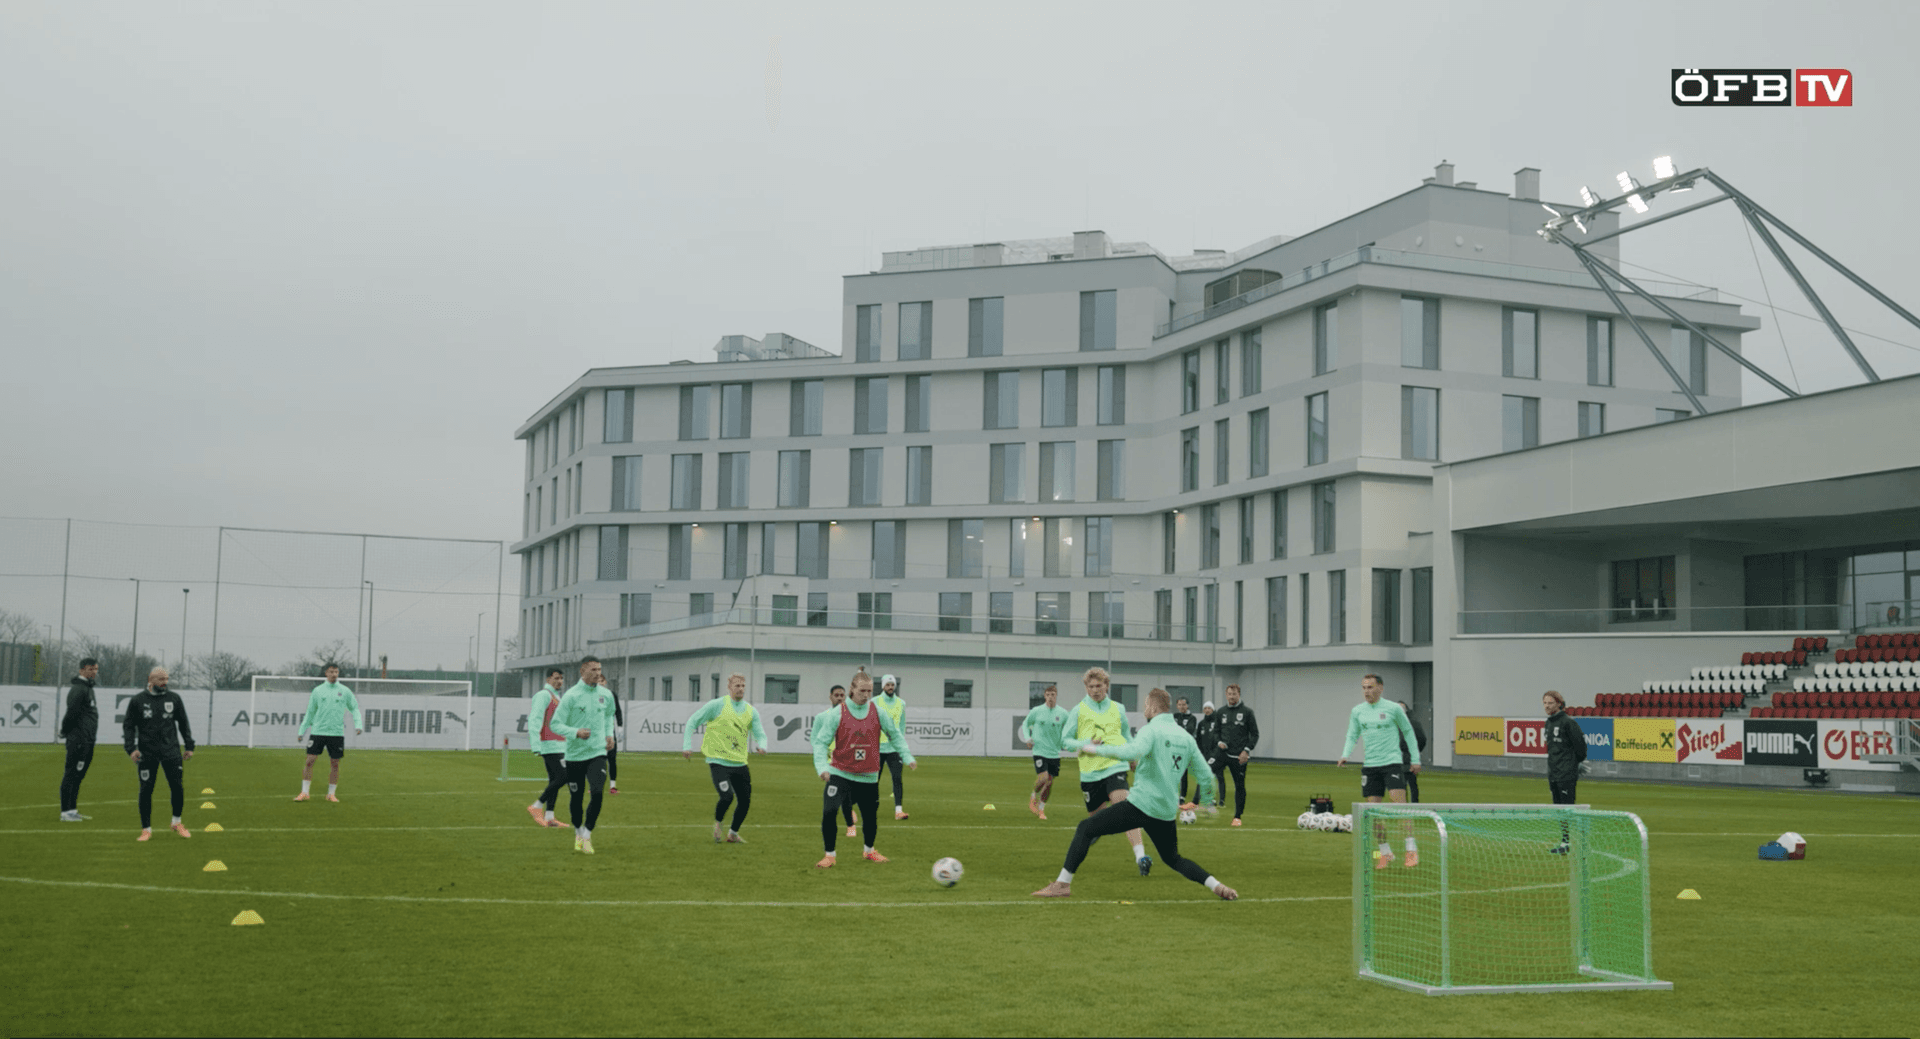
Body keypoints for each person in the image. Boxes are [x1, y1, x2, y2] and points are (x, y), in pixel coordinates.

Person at [1032, 688, 1237, 901]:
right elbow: (1205, 775)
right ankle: (1218, 886)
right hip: (1165, 811)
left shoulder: (1151, 730)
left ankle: (1062, 884)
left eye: (1146, 705)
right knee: (1173, 858)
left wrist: (1094, 750)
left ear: (1154, 707)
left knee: (1086, 828)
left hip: (1141, 806)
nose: (1144, 710)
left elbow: (1131, 752)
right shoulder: (1186, 738)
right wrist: (1206, 802)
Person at [811, 671, 914, 868]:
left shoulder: (878, 712)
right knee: (830, 811)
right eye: (862, 691)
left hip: (868, 776)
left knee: (869, 817)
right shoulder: (837, 713)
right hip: (840, 773)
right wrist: (822, 768)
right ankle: (829, 855)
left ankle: (869, 851)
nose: (866, 695)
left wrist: (907, 756)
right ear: (852, 689)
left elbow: (895, 734)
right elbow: (820, 742)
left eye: (869, 691)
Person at [1058, 666, 1151, 875]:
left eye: (1099, 686)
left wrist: (1134, 755)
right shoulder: (1078, 710)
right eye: (1091, 687)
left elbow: (1126, 734)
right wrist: (1085, 744)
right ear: (1086, 688)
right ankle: (1086, 841)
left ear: (1106, 686)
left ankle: (1141, 857)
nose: (1095, 690)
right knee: (1094, 823)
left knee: (1126, 806)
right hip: (1090, 773)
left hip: (1115, 765)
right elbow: (1065, 740)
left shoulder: (1118, 708)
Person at [1337, 674, 1422, 869]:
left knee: (1398, 804)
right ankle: (1385, 852)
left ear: (1381, 688)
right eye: (1364, 687)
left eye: (1370, 687)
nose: (1367, 691)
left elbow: (1408, 732)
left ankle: (1411, 850)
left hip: (1392, 763)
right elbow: (1352, 734)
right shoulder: (1358, 711)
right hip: (1370, 766)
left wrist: (1415, 759)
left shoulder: (1393, 709)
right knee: (1373, 812)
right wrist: (1345, 754)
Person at [682, 673, 768, 844]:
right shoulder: (717, 705)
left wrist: (763, 745)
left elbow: (760, 733)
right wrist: (686, 745)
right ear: (729, 688)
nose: (740, 689)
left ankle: (733, 834)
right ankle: (718, 825)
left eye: (743, 686)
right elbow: (693, 721)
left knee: (745, 801)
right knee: (727, 796)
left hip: (740, 763)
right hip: (718, 761)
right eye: (737, 685)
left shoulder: (751, 711)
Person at [554, 656, 617, 854]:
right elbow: (555, 724)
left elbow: (608, 716)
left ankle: (588, 835)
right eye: (593, 670)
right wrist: (575, 732)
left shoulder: (606, 695)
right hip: (575, 755)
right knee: (576, 799)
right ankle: (578, 831)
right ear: (583, 671)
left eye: (599, 669)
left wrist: (609, 734)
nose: (598, 673)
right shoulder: (571, 696)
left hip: (598, 752)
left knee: (597, 793)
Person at [123, 667, 194, 841]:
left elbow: (183, 723)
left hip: (171, 751)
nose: (165, 683)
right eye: (161, 679)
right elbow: (129, 726)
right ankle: (146, 829)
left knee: (177, 786)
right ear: (151, 680)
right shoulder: (137, 700)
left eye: (166, 679)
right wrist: (131, 749)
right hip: (147, 753)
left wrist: (189, 745)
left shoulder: (174, 698)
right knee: (146, 790)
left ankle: (176, 822)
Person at [293, 664, 362, 802]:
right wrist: (302, 730)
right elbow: (310, 712)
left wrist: (358, 724)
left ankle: (331, 794)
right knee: (309, 761)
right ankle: (305, 792)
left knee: (335, 763)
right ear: (326, 673)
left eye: (336, 672)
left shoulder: (345, 691)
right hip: (318, 732)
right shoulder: (318, 691)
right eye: (331, 672)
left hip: (336, 734)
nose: (334, 674)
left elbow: (354, 708)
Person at [1543, 690, 1589, 854]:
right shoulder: (1548, 724)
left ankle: (1577, 842)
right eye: (1545, 703)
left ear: (1558, 703)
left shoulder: (1568, 723)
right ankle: (1565, 843)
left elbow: (1581, 748)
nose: (1547, 706)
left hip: (1566, 774)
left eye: (1550, 703)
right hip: (1554, 774)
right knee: (1559, 810)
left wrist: (1575, 764)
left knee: (1568, 809)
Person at [58, 657, 101, 822]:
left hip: (87, 739)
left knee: (78, 775)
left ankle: (72, 809)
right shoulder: (78, 689)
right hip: (79, 740)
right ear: (81, 670)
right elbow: (71, 713)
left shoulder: (88, 688)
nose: (94, 672)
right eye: (91, 669)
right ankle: (65, 812)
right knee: (71, 774)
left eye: (96, 669)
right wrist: (64, 731)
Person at [524, 668, 569, 828]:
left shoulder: (557, 697)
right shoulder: (543, 695)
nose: (560, 681)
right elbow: (535, 719)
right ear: (549, 679)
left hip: (559, 743)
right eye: (557, 678)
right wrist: (536, 744)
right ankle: (536, 806)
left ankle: (550, 817)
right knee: (564, 777)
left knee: (555, 780)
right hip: (549, 744)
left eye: (562, 678)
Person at [1212, 684, 1260, 827]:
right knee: (1206, 770)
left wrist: (1246, 750)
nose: (1231, 697)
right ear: (1226, 695)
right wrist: (1219, 742)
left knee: (1239, 786)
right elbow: (1216, 732)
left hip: (1239, 756)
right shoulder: (1221, 712)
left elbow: (1255, 734)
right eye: (1229, 694)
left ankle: (1237, 817)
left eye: (1234, 694)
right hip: (1222, 753)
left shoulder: (1247, 712)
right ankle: (1196, 803)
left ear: (1239, 695)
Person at [1020, 684, 1069, 820]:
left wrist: (1068, 741)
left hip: (1054, 753)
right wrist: (1027, 738)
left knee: (1050, 782)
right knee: (1043, 778)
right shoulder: (1037, 710)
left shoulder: (1063, 713)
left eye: (1053, 695)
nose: (1050, 697)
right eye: (1048, 695)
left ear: (1056, 695)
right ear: (1044, 696)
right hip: (1039, 750)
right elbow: (1025, 724)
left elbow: (1071, 728)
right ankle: (1033, 796)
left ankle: (1041, 809)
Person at [873, 674, 910, 820]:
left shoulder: (901, 703)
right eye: (888, 685)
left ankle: (898, 811)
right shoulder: (874, 702)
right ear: (883, 686)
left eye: (892, 685)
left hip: (894, 749)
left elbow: (902, 725)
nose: (890, 687)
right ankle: (870, 808)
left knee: (897, 778)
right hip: (877, 748)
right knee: (874, 780)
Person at [827, 685, 856, 837]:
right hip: (829, 764)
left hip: (845, 763)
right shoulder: (823, 717)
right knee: (832, 800)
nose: (839, 698)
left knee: (845, 797)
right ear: (830, 697)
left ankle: (850, 825)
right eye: (836, 695)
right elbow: (817, 740)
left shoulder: (851, 716)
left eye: (842, 695)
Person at [1396, 700, 1430, 804]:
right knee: (1408, 784)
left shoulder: (1412, 723)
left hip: (1407, 758)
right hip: (1399, 758)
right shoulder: (1399, 722)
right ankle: (1409, 805)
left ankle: (1409, 805)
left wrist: (1414, 751)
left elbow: (1422, 739)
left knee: (1408, 783)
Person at [1170, 696, 1200, 807]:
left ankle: (1182, 797)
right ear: (1177, 706)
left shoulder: (1192, 718)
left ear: (1187, 705)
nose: (1182, 707)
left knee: (1183, 773)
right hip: (1174, 748)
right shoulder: (1174, 716)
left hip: (1185, 749)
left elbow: (1190, 730)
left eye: (1184, 704)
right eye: (1179, 705)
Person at [1196, 701, 1222, 813]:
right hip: (1204, 755)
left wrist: (1215, 754)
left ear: (1213, 709)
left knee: (1216, 776)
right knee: (1203, 776)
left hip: (1216, 754)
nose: (1207, 710)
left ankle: (1217, 799)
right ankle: (1203, 799)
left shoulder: (1217, 722)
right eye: (1205, 708)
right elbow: (1198, 740)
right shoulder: (1201, 723)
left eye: (1209, 708)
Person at [604, 678, 624, 794]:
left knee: (612, 759)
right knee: (595, 760)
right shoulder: (591, 696)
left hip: (610, 733)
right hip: (596, 734)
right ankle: (594, 786)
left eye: (602, 681)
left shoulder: (611, 695)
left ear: (605, 682)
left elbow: (618, 711)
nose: (600, 683)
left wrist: (620, 727)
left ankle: (612, 786)